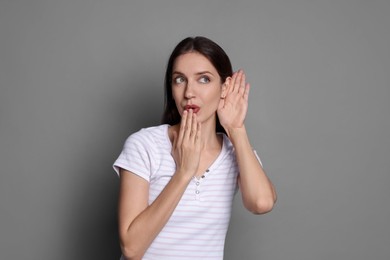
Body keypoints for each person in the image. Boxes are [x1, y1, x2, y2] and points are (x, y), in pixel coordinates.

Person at [113, 36, 277, 260]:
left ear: (225, 87)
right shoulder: (145, 145)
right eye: (179, 80)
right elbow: (132, 248)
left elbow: (261, 202)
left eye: (204, 79)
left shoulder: (235, 151)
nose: (189, 92)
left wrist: (236, 129)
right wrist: (183, 173)